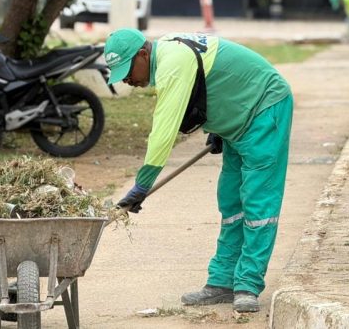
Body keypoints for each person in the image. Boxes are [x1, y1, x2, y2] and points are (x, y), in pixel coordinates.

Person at [105, 28, 293, 313]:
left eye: (127, 71)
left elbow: (163, 131)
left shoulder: (171, 63)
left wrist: (142, 185)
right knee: (231, 201)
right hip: (237, 123)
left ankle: (248, 285)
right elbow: (211, 80)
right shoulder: (167, 54)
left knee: (258, 203)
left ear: (143, 54)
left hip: (264, 109)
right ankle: (222, 282)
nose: (128, 81)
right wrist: (219, 125)